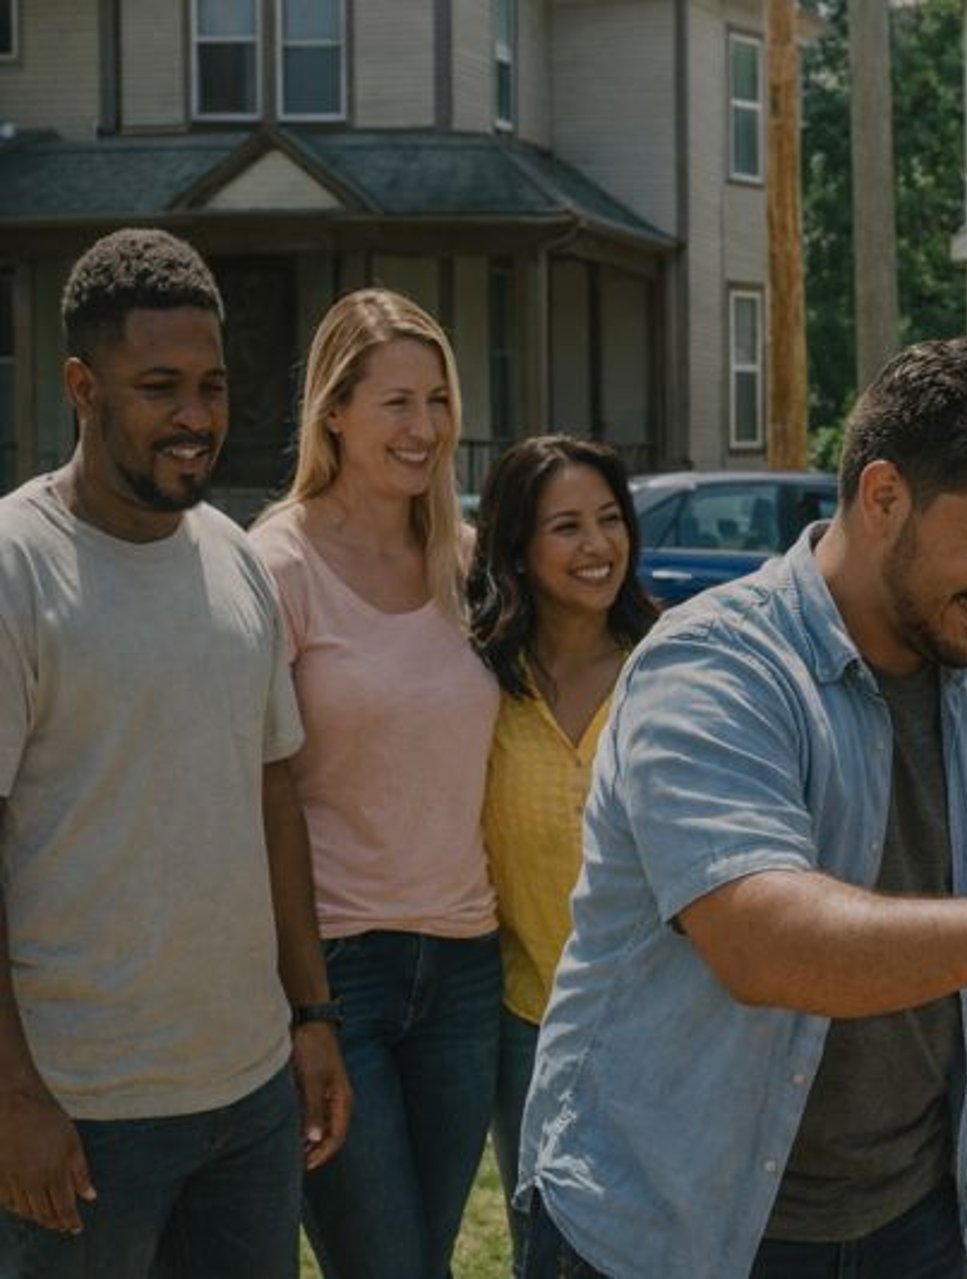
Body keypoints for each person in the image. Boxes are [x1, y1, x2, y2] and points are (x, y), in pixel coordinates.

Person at [518, 337, 967, 1279]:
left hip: (909, 1223)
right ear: (882, 498)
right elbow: (759, 940)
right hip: (669, 1226)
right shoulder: (711, 667)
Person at [0, 228, 349, 1276]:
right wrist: (12, 1094)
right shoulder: (18, 571)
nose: (196, 417)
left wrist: (312, 1012)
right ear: (82, 385)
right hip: (82, 1111)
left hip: (245, 1099)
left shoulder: (237, 562)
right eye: (159, 386)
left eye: (211, 384)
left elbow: (273, 799)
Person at [250, 289, 501, 1279]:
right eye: (396, 401)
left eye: (438, 400)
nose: (425, 428)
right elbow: (249, 791)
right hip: (336, 976)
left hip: (467, 970)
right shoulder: (275, 565)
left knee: (421, 1263)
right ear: (335, 410)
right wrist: (303, 1004)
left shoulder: (467, 563)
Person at [466, 435, 658, 1266]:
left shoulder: (670, 667)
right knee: (546, 1252)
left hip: (666, 1030)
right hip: (530, 1028)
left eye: (611, 520)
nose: (598, 546)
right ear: (517, 546)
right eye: (568, 527)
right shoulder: (476, 681)